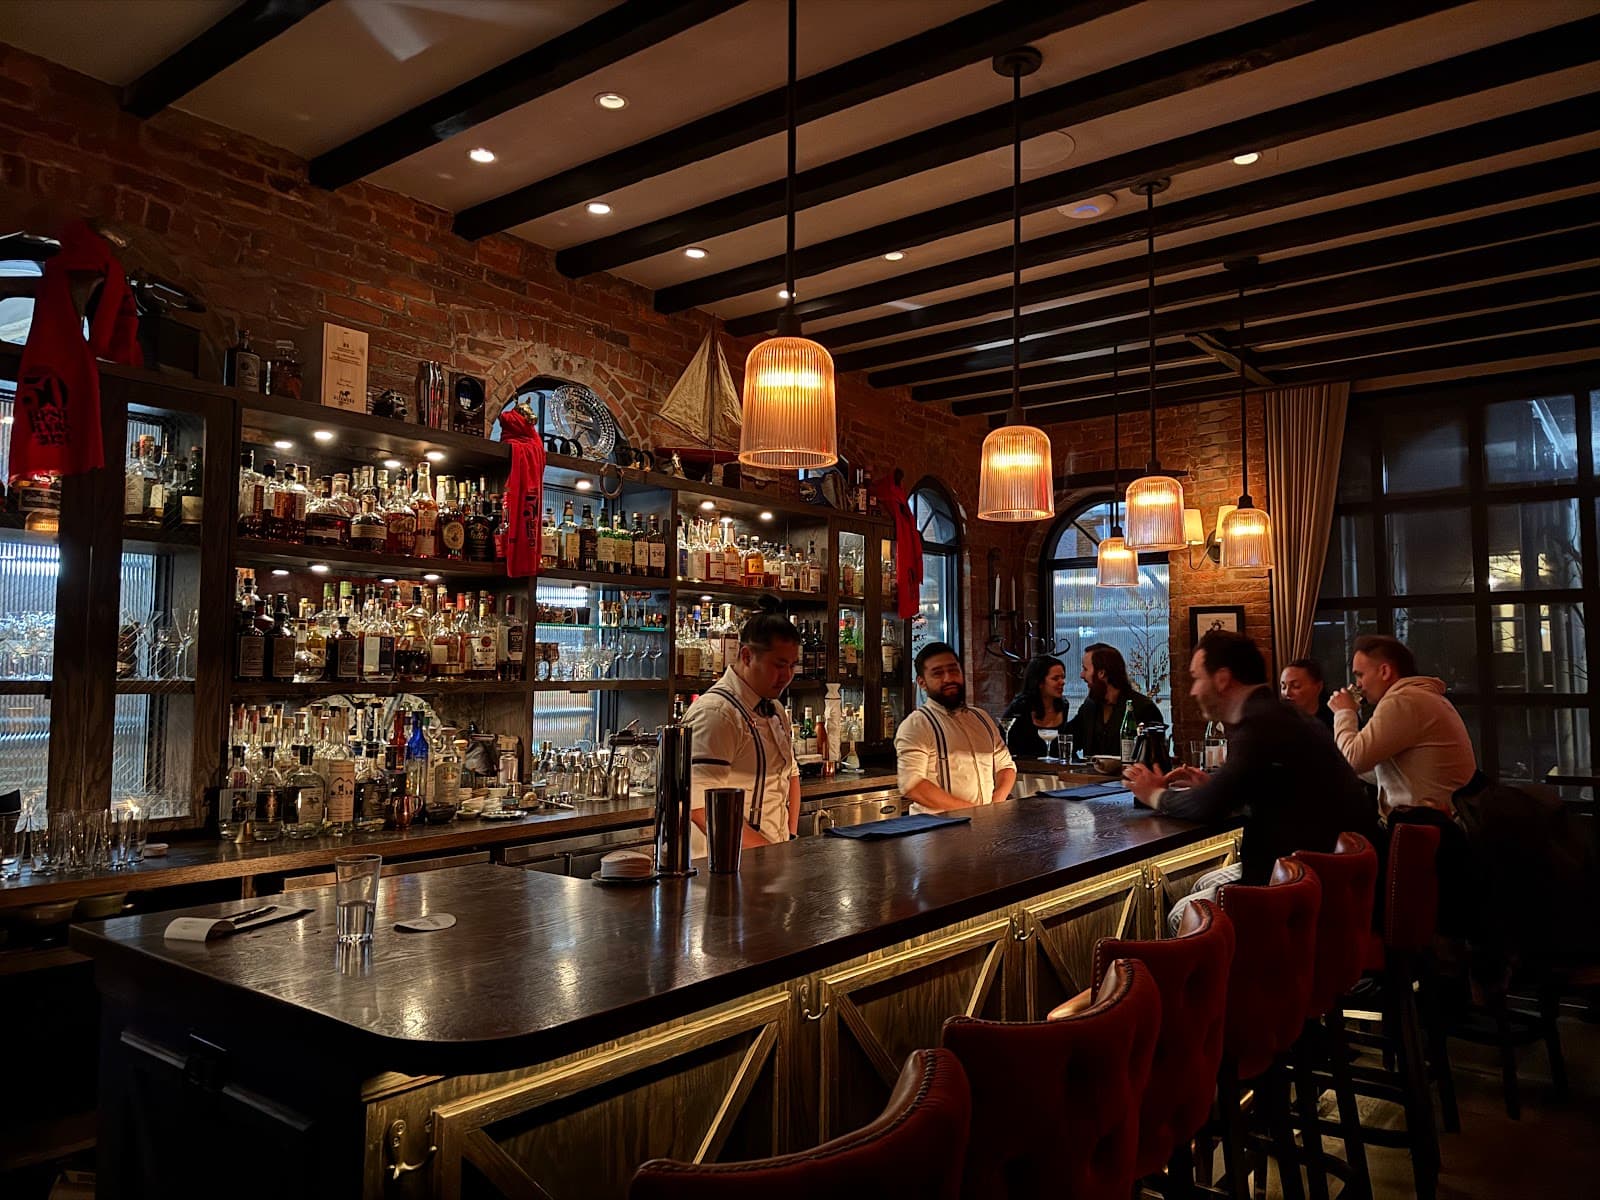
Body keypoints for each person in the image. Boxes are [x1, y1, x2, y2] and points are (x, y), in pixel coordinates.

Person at [1123, 630, 1376, 932]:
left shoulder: (1259, 724)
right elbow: (1273, 791)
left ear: (1222, 679)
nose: (1193, 691)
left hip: (1303, 890)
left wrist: (1154, 794)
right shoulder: (1280, 715)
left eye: (1197, 678)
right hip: (1328, 879)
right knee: (1202, 888)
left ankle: (1247, 966)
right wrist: (1214, 786)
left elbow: (1208, 806)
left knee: (1182, 915)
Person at [682, 608, 801, 859]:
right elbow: (700, 808)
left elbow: (791, 775)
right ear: (747, 656)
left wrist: (789, 841)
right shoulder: (717, 714)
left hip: (768, 862)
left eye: (792, 665)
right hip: (723, 867)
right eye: (779, 665)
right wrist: (769, 855)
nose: (787, 676)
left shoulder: (775, 709)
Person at [1329, 633, 1477, 816]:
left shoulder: (1403, 701)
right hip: (1441, 818)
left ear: (1385, 671)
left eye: (1360, 675)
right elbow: (1385, 772)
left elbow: (1352, 760)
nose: (1358, 685)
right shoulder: (1418, 696)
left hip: (1426, 824)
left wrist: (1344, 712)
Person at [896, 642, 1016, 812]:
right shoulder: (917, 724)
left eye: (953, 670)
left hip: (984, 824)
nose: (948, 678)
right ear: (922, 682)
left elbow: (1006, 766)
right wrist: (975, 813)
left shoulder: (981, 717)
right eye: (938, 673)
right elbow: (913, 785)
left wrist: (994, 807)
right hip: (937, 827)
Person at [1068, 642, 1164, 758]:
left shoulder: (1144, 708)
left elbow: (1155, 757)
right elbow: (1065, 741)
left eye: (1085, 669)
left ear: (1101, 673)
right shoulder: (1090, 707)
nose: (1082, 675)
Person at [1002, 655, 1070, 759]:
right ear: (1039, 682)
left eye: (1063, 677)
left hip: (1055, 766)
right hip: (1024, 765)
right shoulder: (1020, 707)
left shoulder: (1064, 706)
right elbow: (1002, 738)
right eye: (1055, 678)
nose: (1062, 682)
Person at [1280, 656, 1334, 728]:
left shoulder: (1334, 720)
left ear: (1318, 687)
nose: (1287, 693)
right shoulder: (1277, 720)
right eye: (1283, 687)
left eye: (1296, 686)